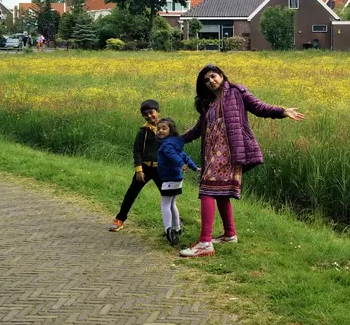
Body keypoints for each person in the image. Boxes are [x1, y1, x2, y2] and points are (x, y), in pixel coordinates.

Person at [178, 64, 305, 257]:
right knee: (220, 193)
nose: (211, 81)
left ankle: (205, 243)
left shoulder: (237, 92)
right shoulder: (208, 103)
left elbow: (259, 107)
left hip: (230, 152)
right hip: (212, 153)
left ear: (221, 76)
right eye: (206, 80)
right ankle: (229, 234)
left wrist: (282, 111)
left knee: (207, 190)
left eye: (213, 76)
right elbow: (199, 129)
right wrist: (177, 139)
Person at [109, 99, 162, 232]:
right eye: (146, 114)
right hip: (145, 168)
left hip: (161, 169)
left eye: (151, 113)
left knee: (168, 197)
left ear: (158, 112)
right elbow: (137, 150)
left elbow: (174, 147)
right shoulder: (143, 131)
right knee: (131, 194)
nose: (149, 116)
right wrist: (139, 170)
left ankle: (174, 223)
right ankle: (119, 219)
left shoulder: (166, 128)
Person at [155, 117, 199, 246]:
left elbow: (173, 156)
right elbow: (184, 155)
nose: (160, 131)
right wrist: (194, 167)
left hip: (169, 177)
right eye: (158, 129)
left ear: (171, 130)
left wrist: (181, 164)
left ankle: (168, 229)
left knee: (165, 204)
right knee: (172, 203)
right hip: (177, 178)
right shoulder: (175, 142)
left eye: (164, 128)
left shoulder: (167, 144)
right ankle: (177, 228)